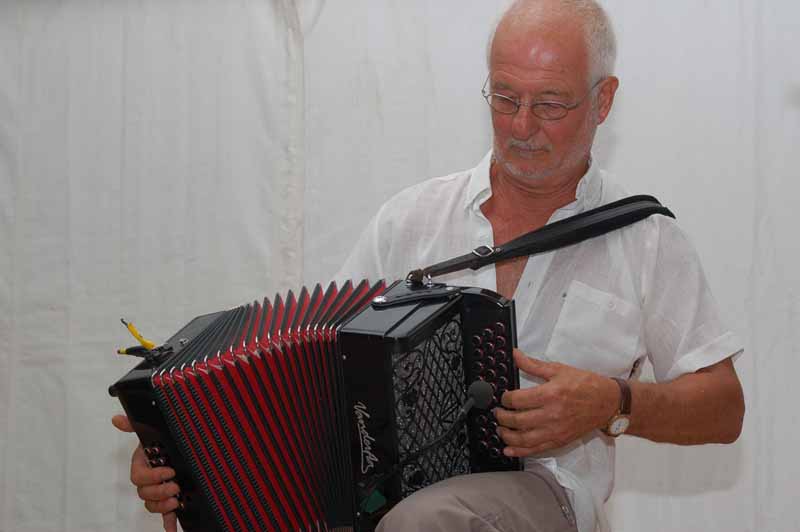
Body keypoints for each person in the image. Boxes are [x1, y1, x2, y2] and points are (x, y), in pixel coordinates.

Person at [113, 1, 745, 530]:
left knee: (424, 522)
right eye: (505, 98)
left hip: (542, 497)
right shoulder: (410, 219)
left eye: (551, 104)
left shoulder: (646, 239)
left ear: (603, 100)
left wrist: (614, 401)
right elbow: (315, 371)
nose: (522, 126)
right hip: (383, 490)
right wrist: (184, 458)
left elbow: (723, 408)